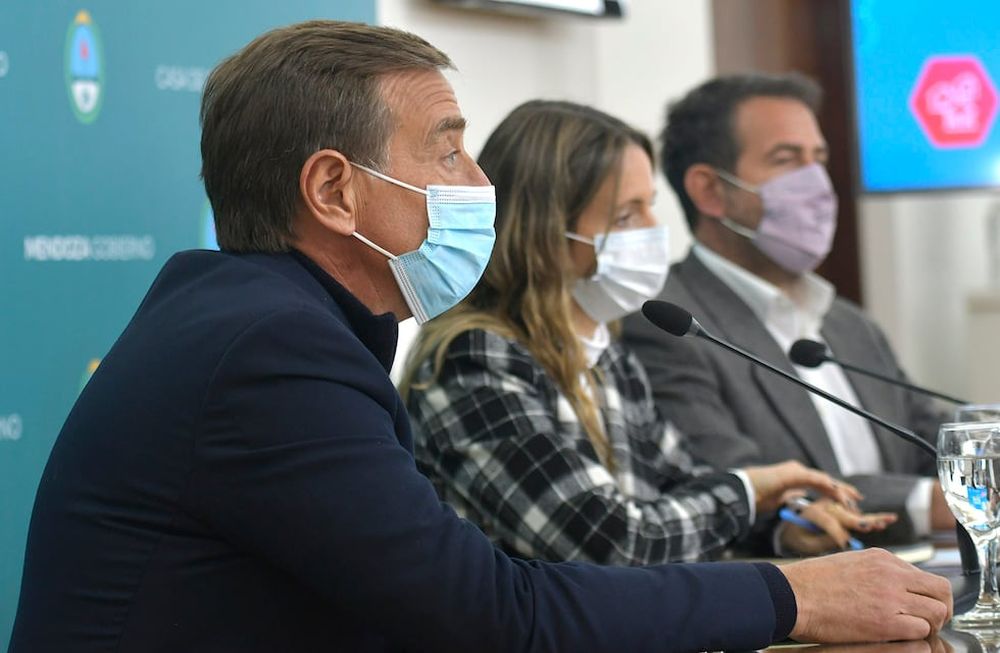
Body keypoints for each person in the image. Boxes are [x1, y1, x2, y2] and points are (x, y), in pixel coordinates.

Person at [8, 23, 950, 653]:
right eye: (449, 147)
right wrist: (797, 597)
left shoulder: (268, 323)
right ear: (335, 191)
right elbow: (491, 610)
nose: (478, 180)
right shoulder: (269, 351)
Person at [401, 99, 895, 565]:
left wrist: (781, 525)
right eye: (626, 214)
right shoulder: (475, 360)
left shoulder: (606, 357)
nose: (652, 228)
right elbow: (614, 542)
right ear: (545, 234)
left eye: (650, 205)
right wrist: (748, 491)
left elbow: (681, 486)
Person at [621, 73, 953, 544]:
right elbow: (747, 487)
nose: (816, 183)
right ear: (710, 191)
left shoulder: (847, 322)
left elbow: (933, 435)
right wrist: (934, 501)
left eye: (818, 159)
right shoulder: (669, 324)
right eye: (786, 160)